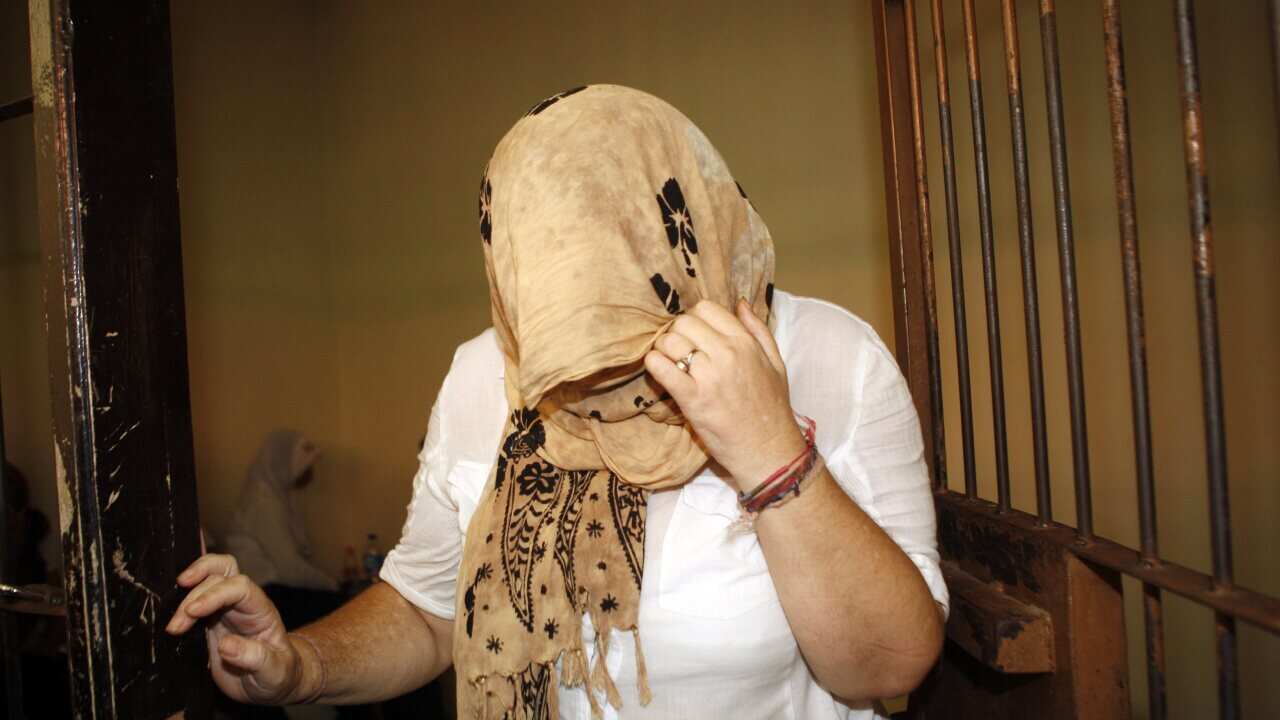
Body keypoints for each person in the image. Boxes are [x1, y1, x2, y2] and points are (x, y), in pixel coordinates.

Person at [168, 85, 946, 719]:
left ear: (686, 234)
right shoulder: (489, 377)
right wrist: (297, 663)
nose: (594, 354)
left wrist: (769, 449)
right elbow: (429, 611)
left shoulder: (830, 359)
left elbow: (884, 669)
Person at [223, 430, 344, 627]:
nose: (308, 473)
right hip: (263, 593)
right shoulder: (263, 503)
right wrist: (332, 584)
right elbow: (289, 568)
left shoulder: (278, 496)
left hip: (272, 589)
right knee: (341, 608)